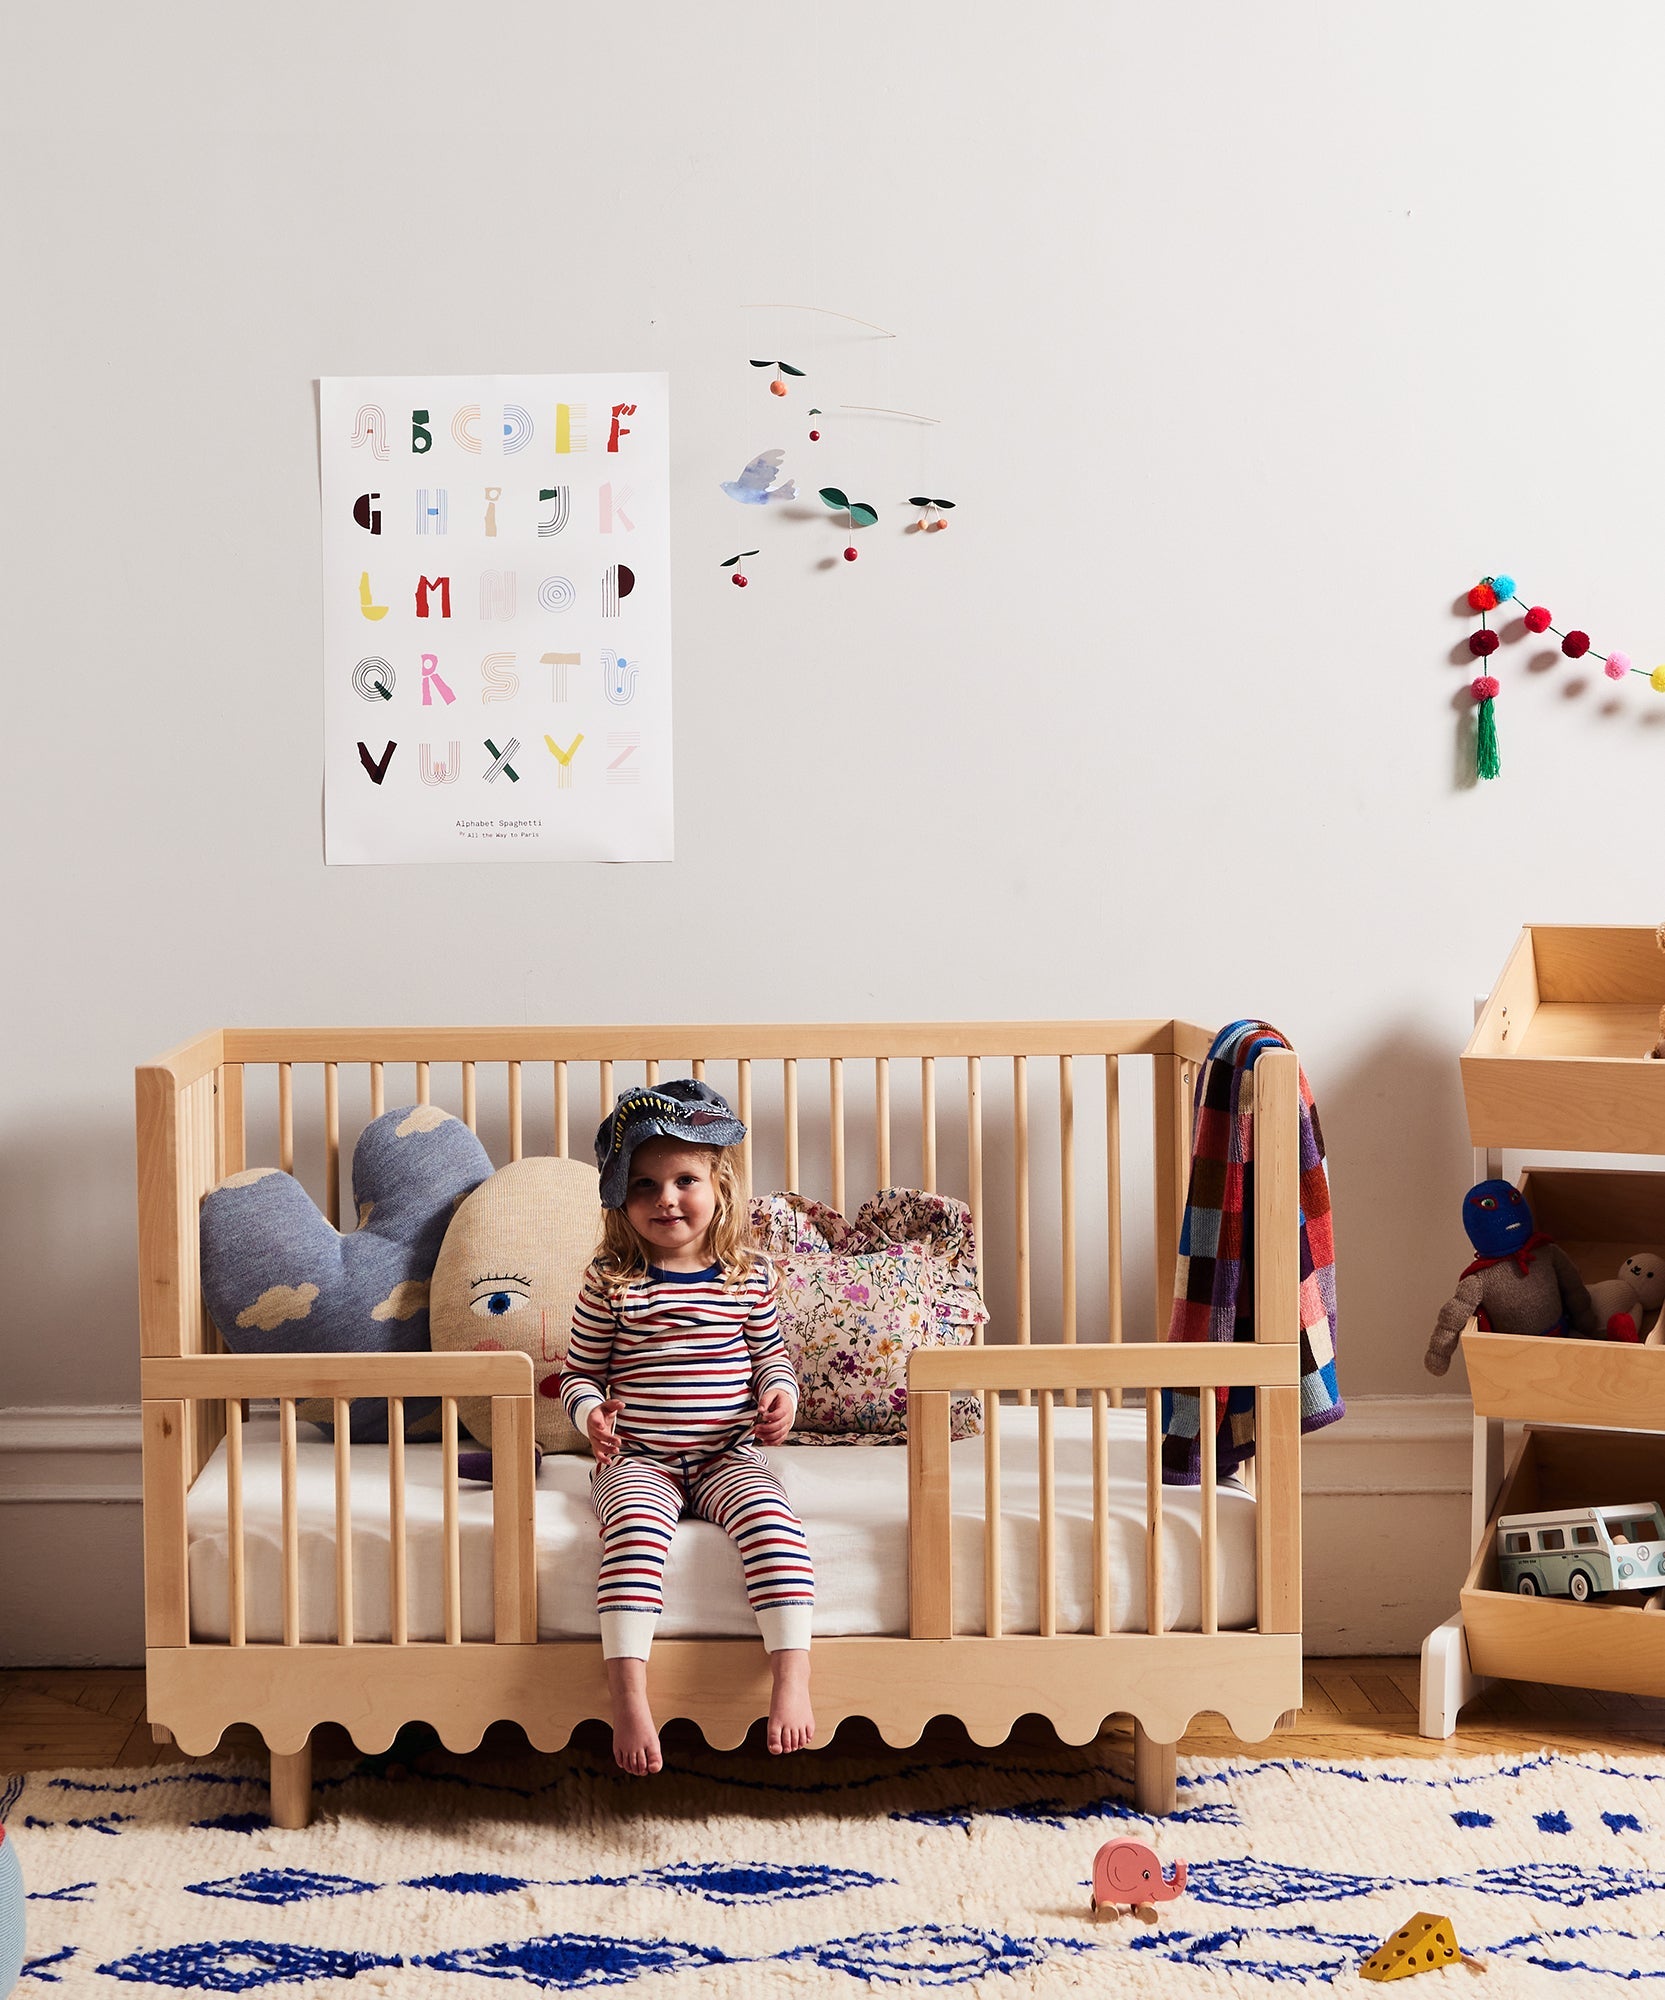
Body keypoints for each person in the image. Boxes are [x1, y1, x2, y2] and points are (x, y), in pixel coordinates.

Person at [562, 1079, 815, 1775]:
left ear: (718, 1185)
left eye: (683, 1180)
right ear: (620, 1200)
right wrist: (592, 1415)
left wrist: (779, 1398)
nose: (665, 1198)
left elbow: (772, 1359)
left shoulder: (746, 1277)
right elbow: (577, 1374)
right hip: (639, 1456)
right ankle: (629, 1696)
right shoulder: (611, 1281)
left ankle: (790, 1681)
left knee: (773, 1523)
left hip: (725, 1454)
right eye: (643, 1185)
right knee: (636, 1535)